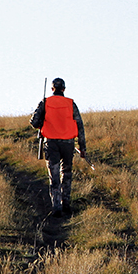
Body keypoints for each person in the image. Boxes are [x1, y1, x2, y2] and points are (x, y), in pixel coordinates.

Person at [30, 77, 87, 215]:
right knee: (66, 173)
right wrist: (82, 147)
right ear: (64, 89)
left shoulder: (45, 102)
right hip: (68, 143)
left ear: (52, 89)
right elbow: (80, 126)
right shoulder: (71, 103)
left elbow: (34, 122)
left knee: (54, 175)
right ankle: (66, 203)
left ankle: (56, 207)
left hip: (51, 143)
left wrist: (43, 120)